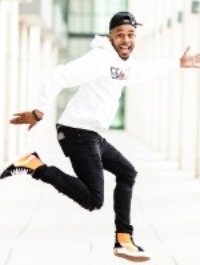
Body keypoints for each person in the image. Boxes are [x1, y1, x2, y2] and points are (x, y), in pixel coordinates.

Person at [1, 11, 200, 262]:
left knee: (127, 173)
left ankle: (124, 240)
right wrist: (39, 112)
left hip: (90, 134)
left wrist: (177, 63)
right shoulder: (100, 59)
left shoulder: (122, 64)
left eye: (131, 35)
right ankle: (35, 165)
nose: (126, 40)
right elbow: (58, 75)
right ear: (110, 37)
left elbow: (144, 72)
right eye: (120, 35)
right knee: (94, 200)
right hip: (77, 133)